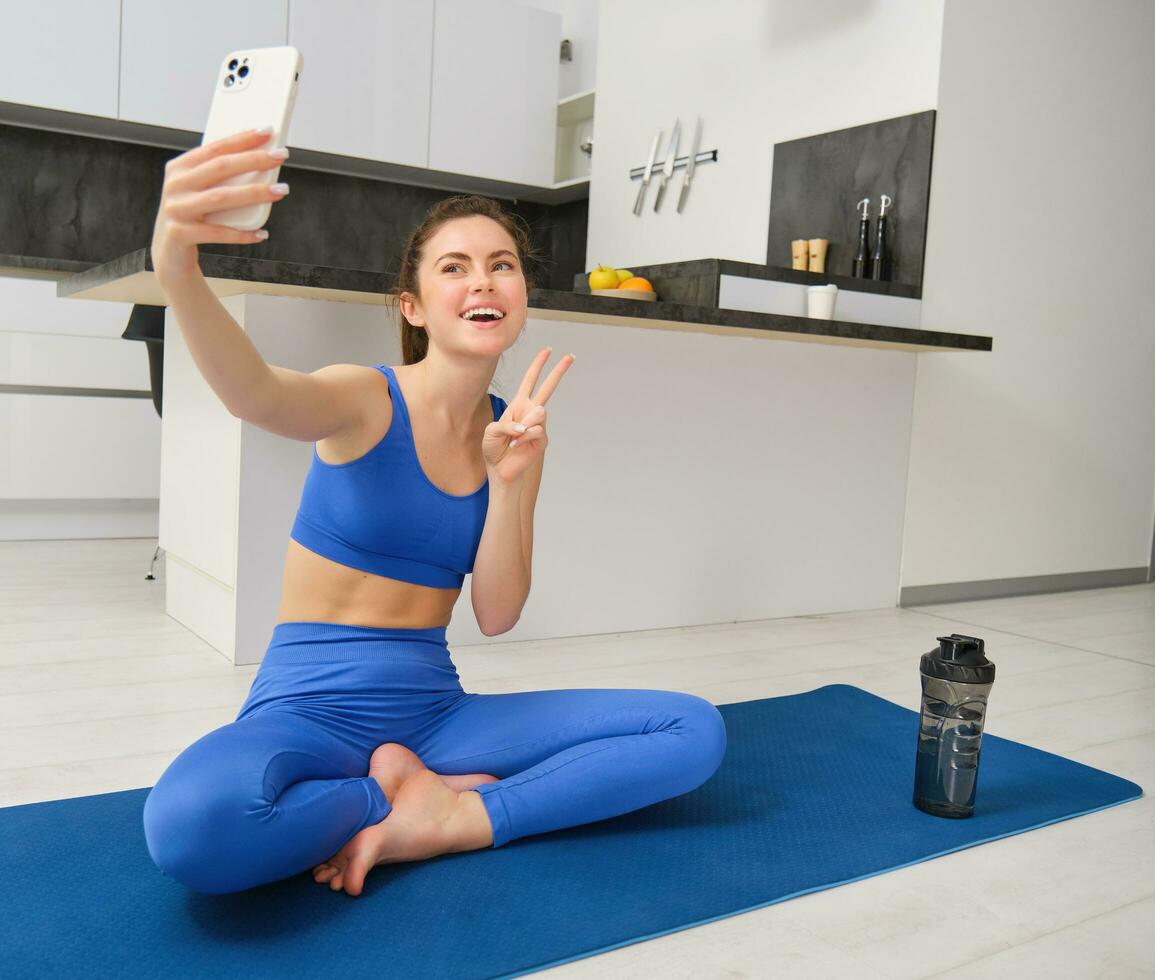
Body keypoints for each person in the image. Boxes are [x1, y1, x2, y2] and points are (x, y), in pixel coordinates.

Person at [140, 127, 728, 897]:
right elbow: (256, 395)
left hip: (435, 715)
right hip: (306, 713)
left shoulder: (512, 432)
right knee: (186, 828)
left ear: (520, 296)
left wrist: (509, 479)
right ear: (414, 305)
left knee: (693, 730)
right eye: (455, 267)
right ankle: (393, 795)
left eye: (501, 265)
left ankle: (453, 820)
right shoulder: (363, 397)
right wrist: (177, 269)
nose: (482, 281)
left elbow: (496, 613)